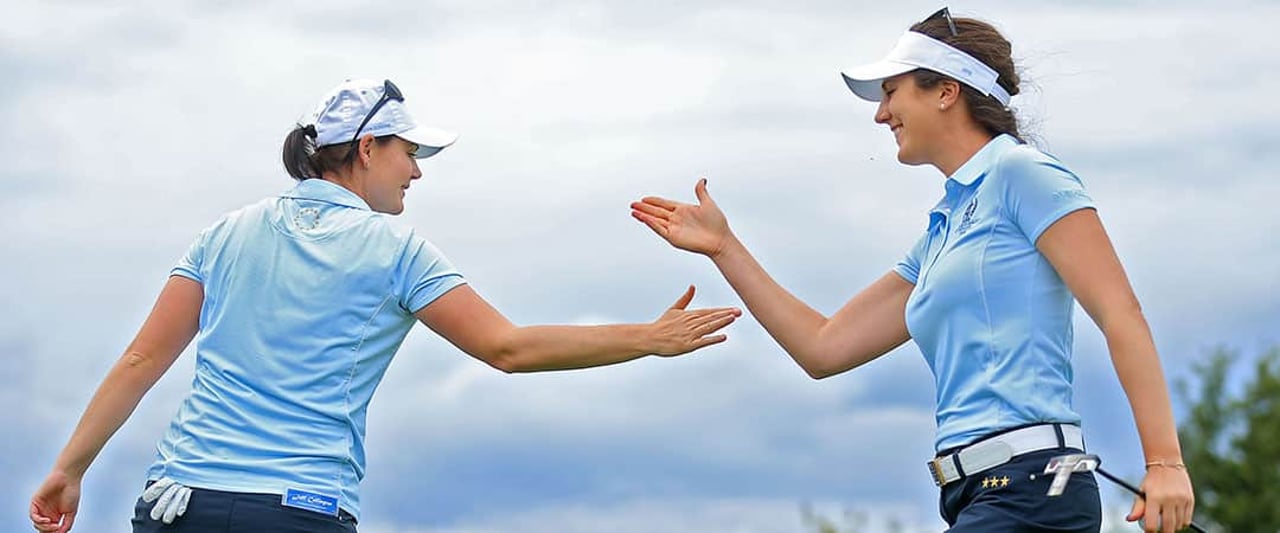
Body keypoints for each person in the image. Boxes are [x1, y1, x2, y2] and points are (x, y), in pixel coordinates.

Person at [29, 78, 742, 533]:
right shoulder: (397, 251)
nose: (419, 169)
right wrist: (645, 337)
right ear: (367, 149)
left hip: (178, 503)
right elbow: (508, 348)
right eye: (409, 151)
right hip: (296, 511)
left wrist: (70, 468)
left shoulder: (225, 231)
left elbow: (141, 358)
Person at [631, 8, 1194, 533]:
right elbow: (824, 348)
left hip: (1033, 489)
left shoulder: (1025, 175)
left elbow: (1120, 312)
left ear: (947, 91)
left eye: (892, 92)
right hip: (975, 496)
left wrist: (1164, 462)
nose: (880, 113)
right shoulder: (942, 230)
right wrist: (725, 247)